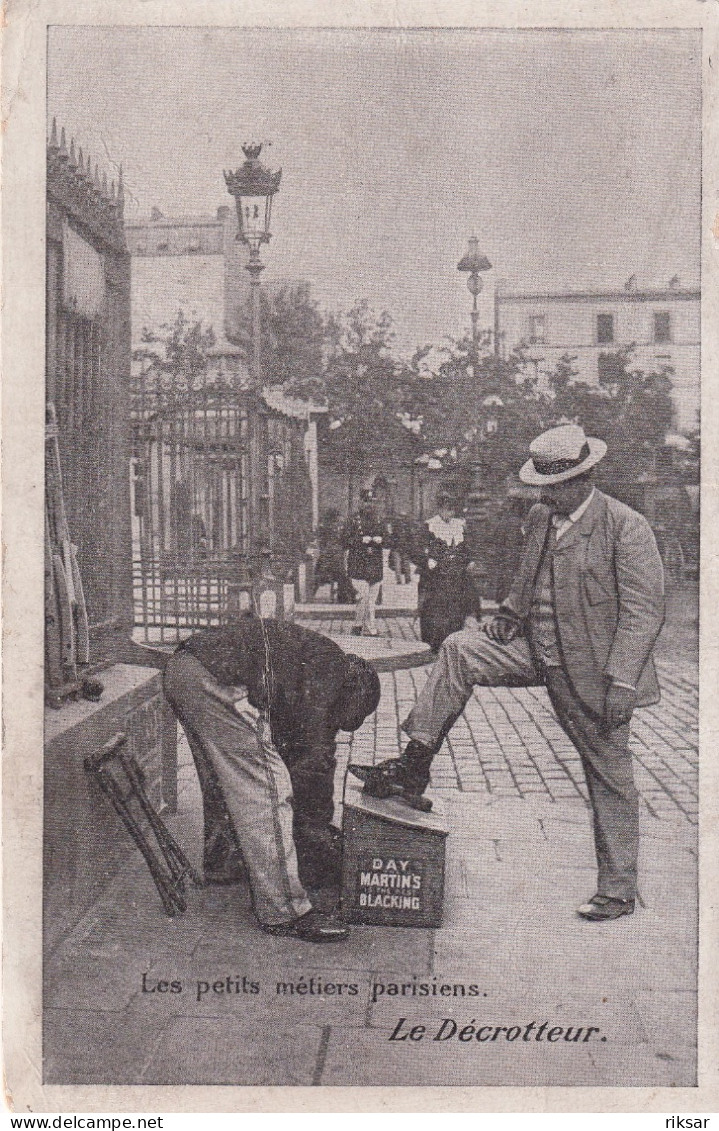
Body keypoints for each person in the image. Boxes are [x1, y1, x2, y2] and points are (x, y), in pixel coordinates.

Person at [358, 424, 665, 922]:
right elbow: (529, 573)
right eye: (544, 485)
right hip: (532, 648)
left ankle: (618, 889)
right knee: (458, 648)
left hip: (591, 669)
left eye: (558, 485)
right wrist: (509, 613)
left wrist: (624, 680)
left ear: (585, 479)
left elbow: (644, 612)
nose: (546, 495)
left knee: (608, 774)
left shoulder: (625, 526)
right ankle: (414, 766)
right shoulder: (545, 517)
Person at [163, 616, 380, 942]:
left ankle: (225, 862)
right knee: (267, 787)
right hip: (216, 680)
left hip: (185, 669)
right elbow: (313, 761)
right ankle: (284, 911)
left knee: (223, 781)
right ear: (355, 692)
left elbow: (296, 742)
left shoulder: (318, 659)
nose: (348, 726)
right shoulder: (330, 672)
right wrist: (317, 831)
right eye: (354, 717)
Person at [414, 490, 481, 651]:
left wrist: (469, 560)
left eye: (451, 510)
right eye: (445, 509)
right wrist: (427, 560)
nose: (448, 513)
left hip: (455, 574)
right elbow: (416, 549)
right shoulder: (429, 525)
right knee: (435, 607)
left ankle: (453, 639)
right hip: (436, 575)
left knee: (456, 606)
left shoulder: (459, 525)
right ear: (439, 509)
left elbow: (466, 547)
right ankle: (434, 641)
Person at [342, 488, 386, 637]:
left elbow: (392, 539)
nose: (369, 505)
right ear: (360, 502)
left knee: (371, 599)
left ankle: (365, 626)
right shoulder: (353, 520)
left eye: (372, 502)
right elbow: (343, 540)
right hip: (358, 564)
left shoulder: (380, 520)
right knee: (363, 595)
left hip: (374, 564)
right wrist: (360, 540)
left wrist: (382, 540)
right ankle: (360, 625)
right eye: (366, 502)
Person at [313, 508, 356, 604]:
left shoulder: (324, 528)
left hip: (324, 569)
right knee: (343, 575)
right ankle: (348, 596)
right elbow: (347, 543)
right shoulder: (340, 530)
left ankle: (311, 594)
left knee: (339, 574)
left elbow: (321, 543)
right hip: (333, 569)